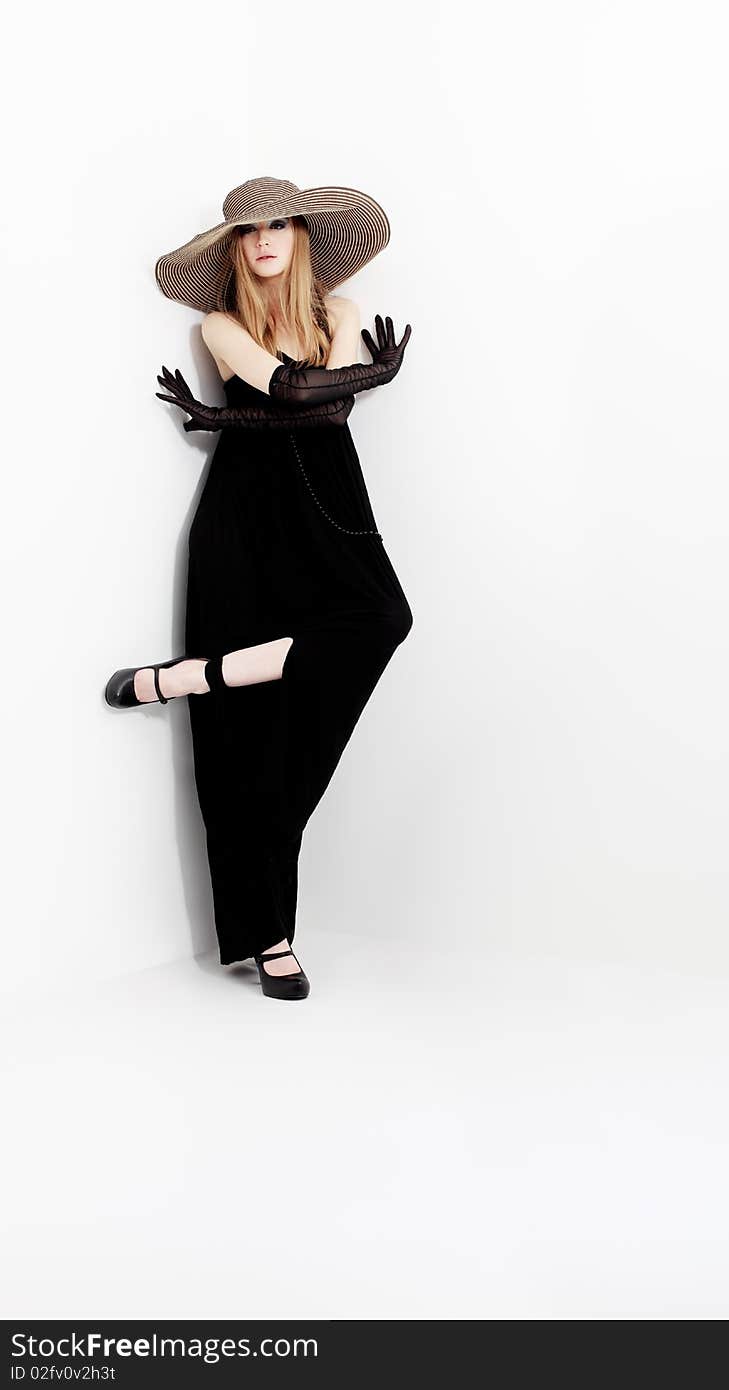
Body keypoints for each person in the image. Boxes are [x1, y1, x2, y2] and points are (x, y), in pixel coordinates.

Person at [104, 176, 414, 1001]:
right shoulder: (221, 324)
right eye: (249, 230)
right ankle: (269, 936)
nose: (267, 239)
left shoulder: (338, 314)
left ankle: (184, 677)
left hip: (333, 512)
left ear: (302, 236)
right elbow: (295, 394)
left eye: (280, 223)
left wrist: (326, 387)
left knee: (382, 621)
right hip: (245, 520)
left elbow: (327, 418)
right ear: (236, 249)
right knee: (244, 744)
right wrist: (372, 375)